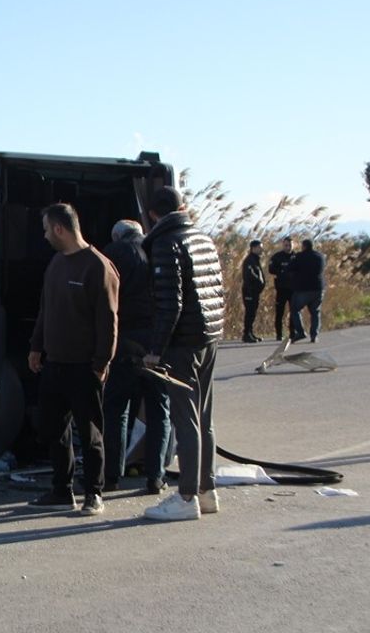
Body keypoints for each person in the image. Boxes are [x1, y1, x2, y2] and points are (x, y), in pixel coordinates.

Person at [27, 202, 119, 517]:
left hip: (85, 366)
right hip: (55, 363)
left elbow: (108, 321)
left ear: (59, 229)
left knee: (89, 431)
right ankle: (61, 490)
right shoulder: (55, 264)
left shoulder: (97, 266)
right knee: (53, 428)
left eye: (45, 228)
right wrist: (36, 346)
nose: (44, 235)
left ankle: (94, 492)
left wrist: (101, 362)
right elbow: (45, 309)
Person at [141, 187, 225, 522]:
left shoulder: (165, 243)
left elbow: (170, 303)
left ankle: (186, 496)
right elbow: (218, 289)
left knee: (185, 418)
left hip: (183, 343)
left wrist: (155, 350)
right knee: (204, 417)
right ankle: (207, 490)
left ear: (151, 215)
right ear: (183, 207)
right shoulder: (203, 237)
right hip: (209, 336)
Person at [100, 219, 169, 495]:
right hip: (156, 343)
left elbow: (105, 298)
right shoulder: (159, 249)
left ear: (117, 236)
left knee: (116, 409)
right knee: (158, 410)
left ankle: (111, 476)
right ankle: (155, 477)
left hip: (125, 341)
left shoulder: (113, 253)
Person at [288, 239, 326, 343]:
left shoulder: (299, 257)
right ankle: (314, 335)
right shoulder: (320, 256)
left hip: (303, 289)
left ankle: (300, 332)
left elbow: (290, 268)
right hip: (318, 288)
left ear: (304, 246)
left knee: (295, 309)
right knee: (315, 312)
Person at [268, 236, 295, 341]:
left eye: (290, 245)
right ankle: (279, 334)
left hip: (293, 289)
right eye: (286, 245)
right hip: (281, 288)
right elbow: (271, 269)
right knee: (279, 312)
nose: (288, 247)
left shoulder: (296, 256)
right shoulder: (277, 257)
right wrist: (281, 272)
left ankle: (293, 333)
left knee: (294, 312)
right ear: (283, 245)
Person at [241, 239, 266, 343]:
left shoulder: (256, 259)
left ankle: (250, 332)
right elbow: (248, 276)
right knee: (249, 312)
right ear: (253, 248)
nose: (261, 249)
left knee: (252, 313)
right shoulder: (249, 260)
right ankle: (246, 334)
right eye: (260, 247)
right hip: (249, 291)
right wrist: (255, 285)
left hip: (255, 292)